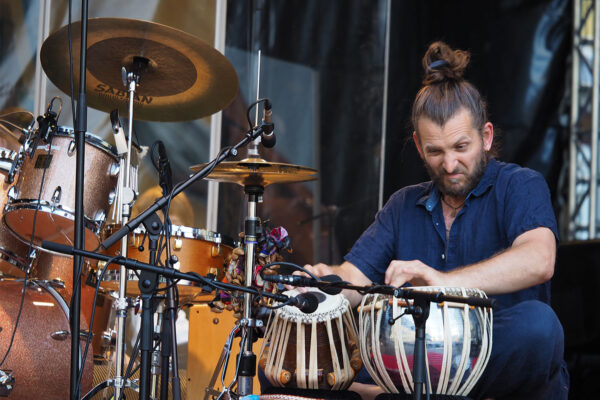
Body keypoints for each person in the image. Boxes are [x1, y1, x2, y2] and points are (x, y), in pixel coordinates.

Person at [298, 42, 569, 400]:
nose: (450, 164)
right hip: (418, 355)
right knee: (315, 360)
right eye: (435, 152)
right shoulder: (402, 205)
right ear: (418, 145)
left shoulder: (520, 184)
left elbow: (539, 260)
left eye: (461, 147)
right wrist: (320, 286)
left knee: (539, 327)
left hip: (490, 362)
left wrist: (442, 284)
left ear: (486, 137)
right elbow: (354, 278)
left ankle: (386, 393)